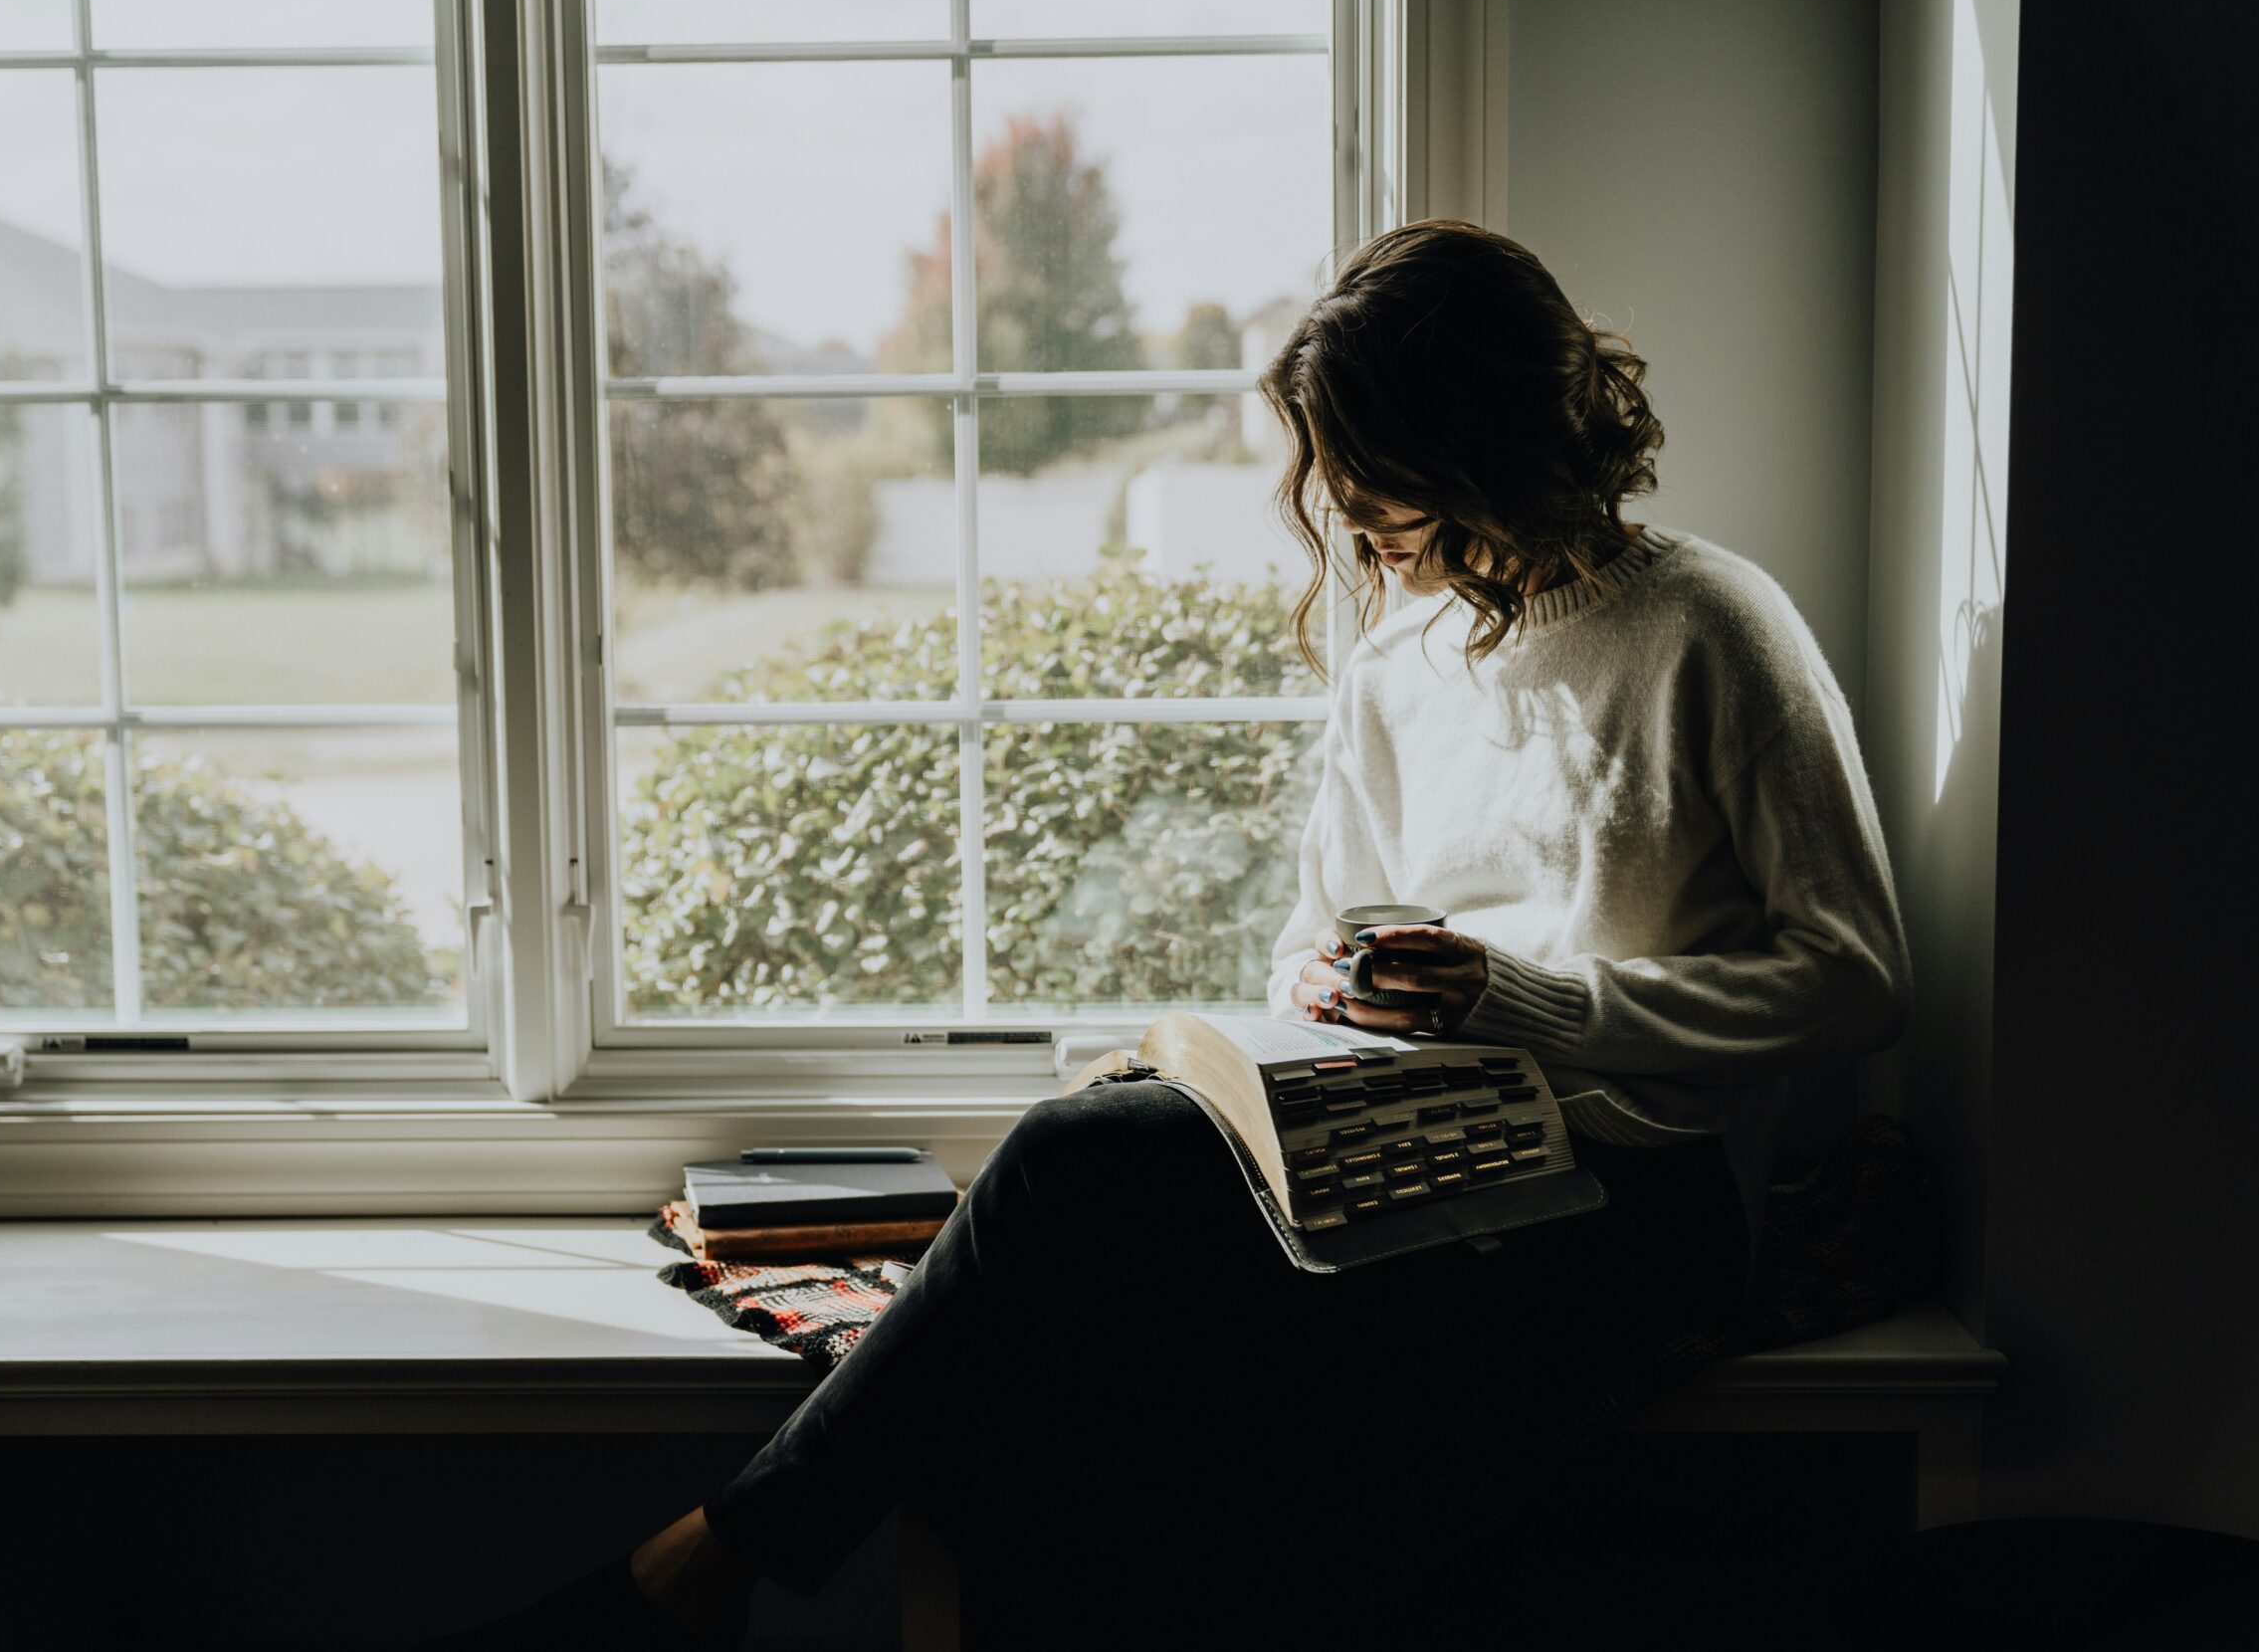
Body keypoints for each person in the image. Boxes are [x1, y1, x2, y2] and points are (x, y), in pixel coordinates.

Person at [423, 220, 1912, 1650]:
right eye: (1337, 482)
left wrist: (1527, 1001)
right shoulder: (1398, 661)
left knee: (1077, 1197)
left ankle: (705, 1569)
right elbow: (1306, 945)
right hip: (1414, 1153)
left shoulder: (1713, 629)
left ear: (1486, 448)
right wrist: (1339, 989)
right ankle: (715, 1573)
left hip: (1632, 1203)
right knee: (1076, 1324)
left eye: (1377, 482)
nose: (1347, 520)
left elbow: (1855, 982)